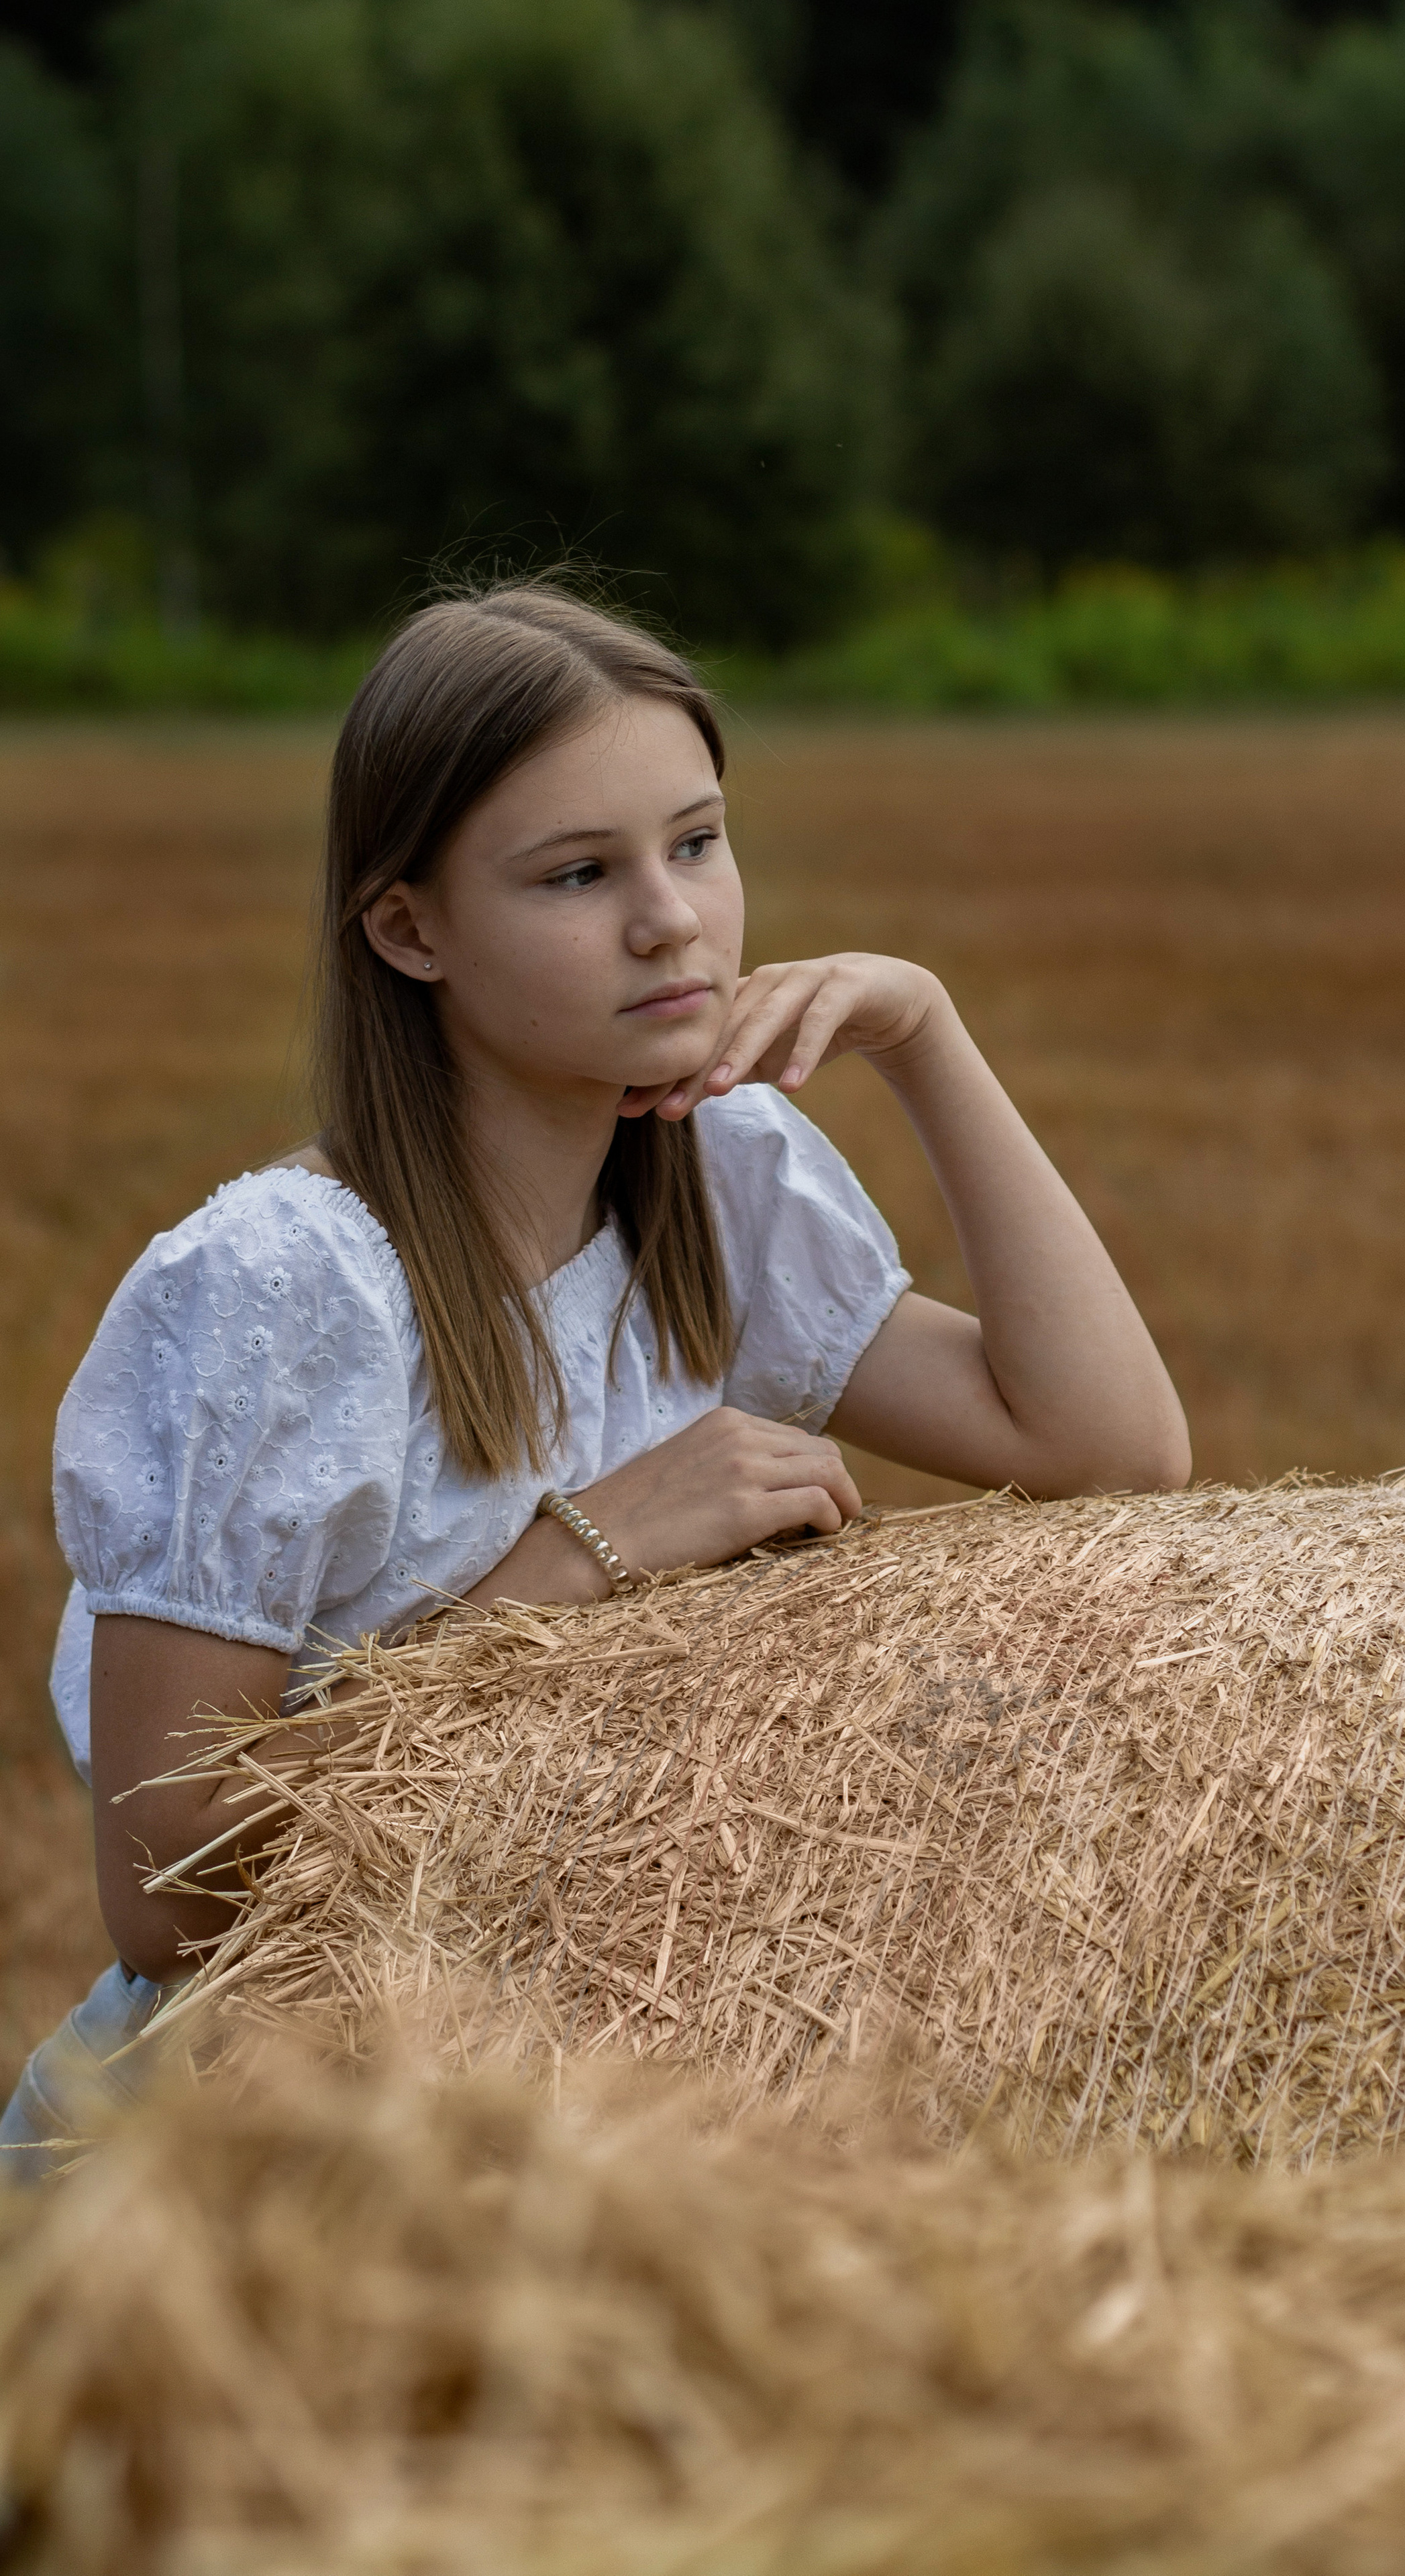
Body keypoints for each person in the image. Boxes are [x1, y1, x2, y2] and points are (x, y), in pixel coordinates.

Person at [1, 582, 1189, 2178]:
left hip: (572, 2131)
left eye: (695, 843)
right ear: (408, 929)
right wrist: (578, 1559)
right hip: (243, 2168)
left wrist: (923, 1035)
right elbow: (168, 1889)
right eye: (578, 874)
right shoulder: (281, 1290)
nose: (670, 921)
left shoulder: (714, 1178)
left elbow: (1107, 1447)